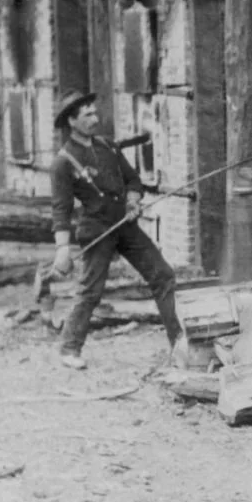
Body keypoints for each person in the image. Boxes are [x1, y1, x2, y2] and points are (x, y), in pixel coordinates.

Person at [49, 91, 185, 371]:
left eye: (94, 113)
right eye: (87, 115)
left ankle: (180, 342)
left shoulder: (108, 147)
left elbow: (133, 180)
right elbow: (60, 210)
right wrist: (62, 249)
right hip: (96, 228)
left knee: (162, 275)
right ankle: (69, 348)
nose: (94, 118)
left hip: (125, 224)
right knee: (91, 291)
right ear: (72, 121)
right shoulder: (63, 162)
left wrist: (133, 201)